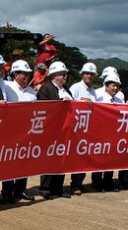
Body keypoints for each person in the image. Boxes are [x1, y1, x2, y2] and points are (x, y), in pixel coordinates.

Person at [36, 61, 72, 199]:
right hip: (50, 132)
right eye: (63, 74)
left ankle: (57, 188)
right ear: (54, 75)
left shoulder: (65, 89)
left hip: (63, 132)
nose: (65, 76)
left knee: (61, 161)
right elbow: (43, 109)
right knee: (49, 160)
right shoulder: (46, 89)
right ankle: (45, 188)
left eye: (65, 74)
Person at [2, 60, 36, 202]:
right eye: (24, 74)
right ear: (16, 74)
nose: (27, 76)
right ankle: (7, 192)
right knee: (9, 164)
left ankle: (19, 191)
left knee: (24, 164)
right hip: (11, 133)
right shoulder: (7, 87)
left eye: (28, 74)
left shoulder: (31, 91)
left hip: (27, 132)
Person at [69, 62, 98, 195]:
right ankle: (74, 184)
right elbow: (70, 104)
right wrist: (82, 100)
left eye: (92, 74)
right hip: (76, 127)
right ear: (82, 74)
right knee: (76, 158)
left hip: (88, 128)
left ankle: (79, 182)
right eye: (87, 73)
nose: (89, 76)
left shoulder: (94, 91)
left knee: (84, 158)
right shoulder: (75, 87)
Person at [93, 72, 123, 192]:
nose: (115, 88)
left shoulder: (119, 100)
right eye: (112, 85)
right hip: (101, 133)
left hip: (114, 133)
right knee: (100, 159)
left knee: (111, 159)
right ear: (106, 86)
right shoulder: (99, 98)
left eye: (117, 86)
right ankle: (97, 182)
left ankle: (108, 181)